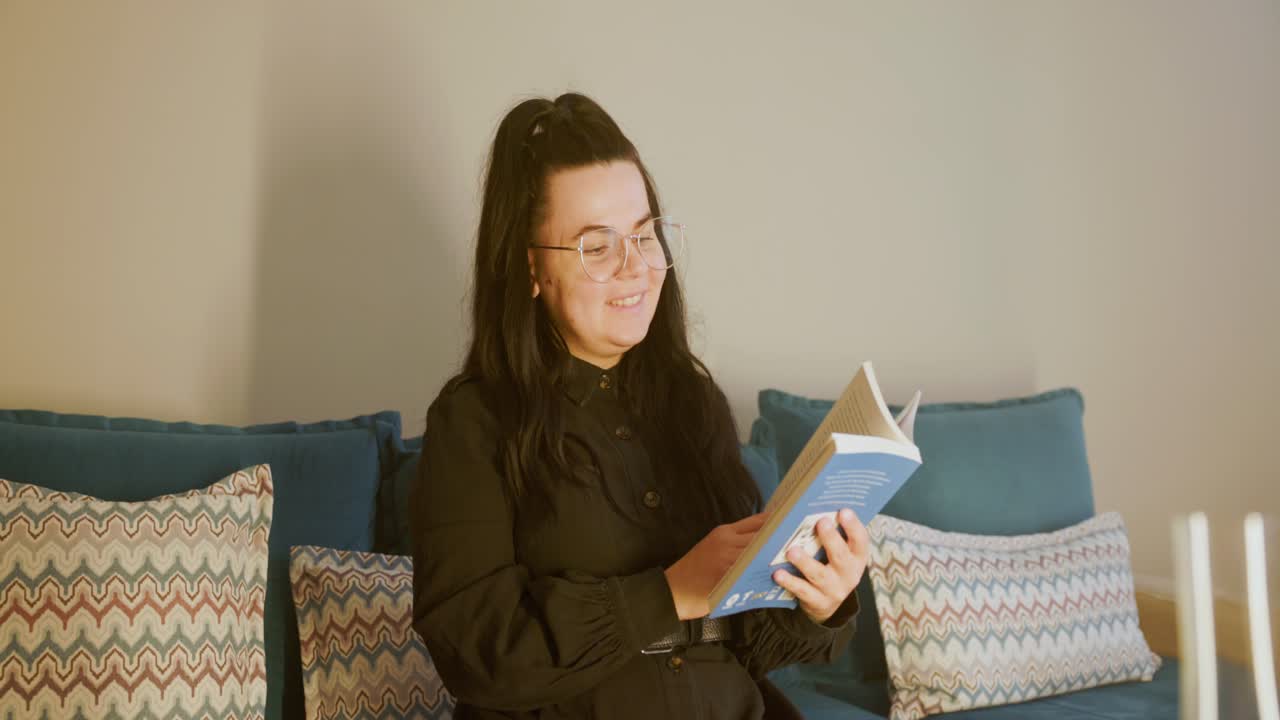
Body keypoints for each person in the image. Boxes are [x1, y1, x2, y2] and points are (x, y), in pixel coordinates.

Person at [409, 92, 868, 720]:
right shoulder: (473, 423)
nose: (636, 268)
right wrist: (668, 592)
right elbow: (478, 654)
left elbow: (750, 645)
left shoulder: (694, 403)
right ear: (531, 271)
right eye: (596, 248)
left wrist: (822, 602)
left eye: (645, 235)